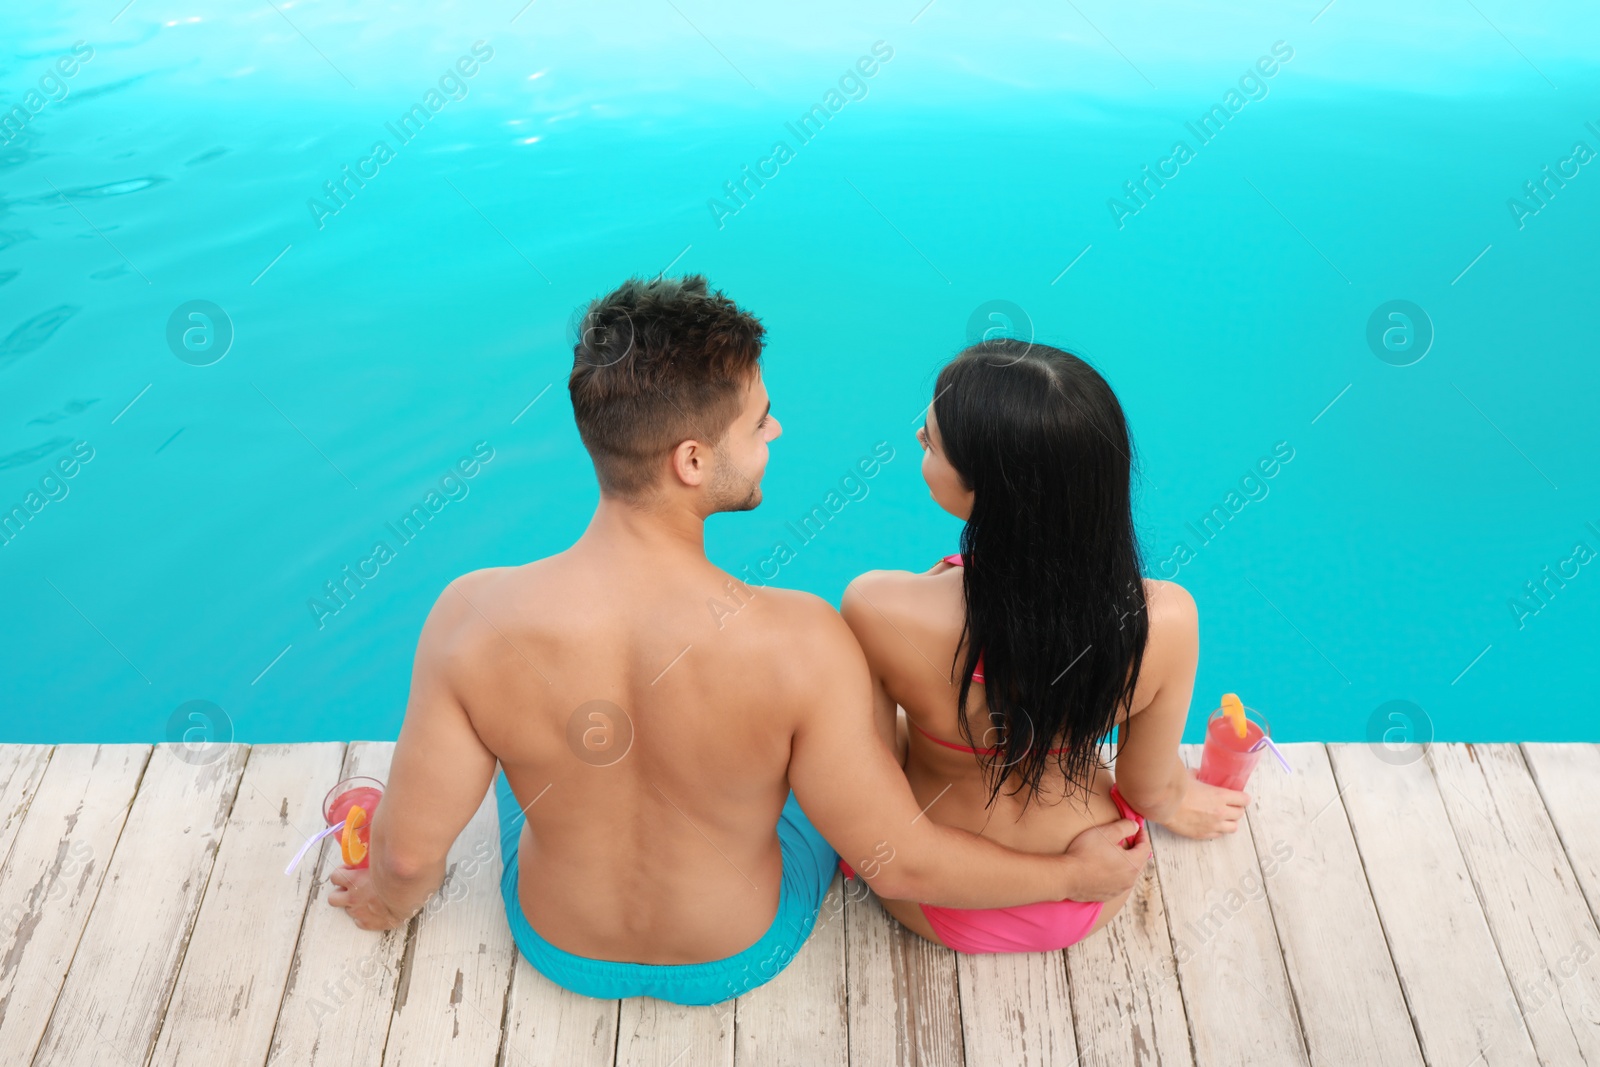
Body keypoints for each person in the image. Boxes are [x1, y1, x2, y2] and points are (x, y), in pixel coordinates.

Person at [327, 278, 1149, 1004]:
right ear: (692, 459)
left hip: (560, 943)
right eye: (758, 422)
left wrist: (380, 903)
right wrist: (1069, 876)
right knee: (817, 757)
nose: (777, 431)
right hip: (738, 948)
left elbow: (405, 865)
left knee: (517, 749)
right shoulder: (801, 639)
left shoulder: (470, 615)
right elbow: (898, 864)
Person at [840, 338, 1249, 954]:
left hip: (936, 892)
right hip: (1093, 885)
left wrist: (938, 722)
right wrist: (1179, 798)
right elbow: (1146, 790)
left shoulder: (879, 605)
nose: (918, 446)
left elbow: (877, 771)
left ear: (984, 489)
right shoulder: (1163, 619)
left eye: (930, 443)